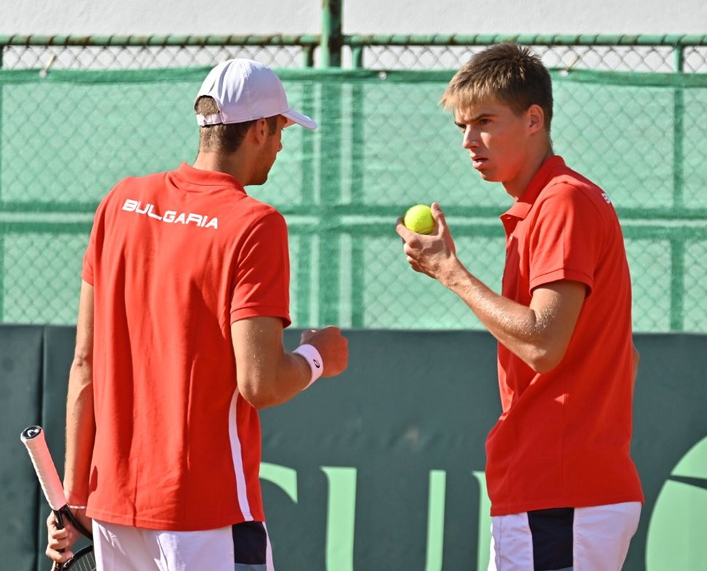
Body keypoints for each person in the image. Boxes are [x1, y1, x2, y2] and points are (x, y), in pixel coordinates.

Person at [46, 58, 349, 570]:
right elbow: (261, 382)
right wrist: (319, 356)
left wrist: (75, 499)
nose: (281, 144)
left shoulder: (119, 202)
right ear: (258, 130)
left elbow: (84, 364)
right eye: (280, 131)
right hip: (204, 514)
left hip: (112, 511)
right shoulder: (256, 224)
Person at [396, 43, 643, 571]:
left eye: (485, 121)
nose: (469, 140)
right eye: (462, 126)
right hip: (555, 491)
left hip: (562, 492)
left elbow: (542, 341)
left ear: (535, 119)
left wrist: (450, 272)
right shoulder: (546, 204)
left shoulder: (562, 201)